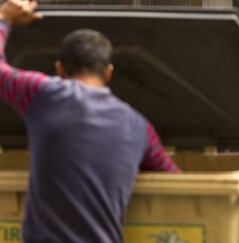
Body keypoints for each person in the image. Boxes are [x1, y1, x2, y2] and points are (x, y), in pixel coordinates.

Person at [0, 0, 180, 242]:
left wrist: (4, 17)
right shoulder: (138, 126)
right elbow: (173, 180)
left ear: (60, 69)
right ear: (108, 72)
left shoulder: (43, 94)